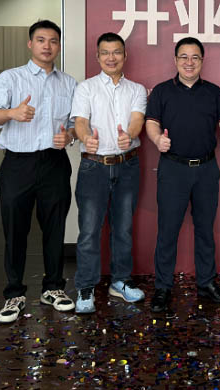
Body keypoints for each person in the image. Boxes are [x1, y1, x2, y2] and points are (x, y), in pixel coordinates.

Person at [0, 19, 77, 324]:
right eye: (41, 40)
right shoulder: (11, 78)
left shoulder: (69, 83)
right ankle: (14, 294)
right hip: (18, 163)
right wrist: (12, 112)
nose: (47, 46)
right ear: (30, 44)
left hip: (54, 163)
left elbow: (76, 124)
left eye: (53, 41)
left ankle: (53, 288)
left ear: (58, 46)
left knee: (55, 228)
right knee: (15, 229)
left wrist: (70, 136)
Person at [145, 37, 220, 313]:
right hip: (173, 169)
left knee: (205, 229)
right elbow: (151, 124)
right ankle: (163, 286)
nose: (189, 62)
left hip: (206, 169)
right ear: (175, 60)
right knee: (167, 230)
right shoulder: (161, 91)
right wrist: (157, 140)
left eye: (195, 57)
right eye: (183, 57)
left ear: (202, 61)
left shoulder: (213, 91)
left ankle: (206, 283)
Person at [70, 32, 146, 314]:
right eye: (105, 52)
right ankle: (86, 287)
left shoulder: (137, 89)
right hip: (94, 166)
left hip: (127, 166)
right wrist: (85, 137)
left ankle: (120, 281)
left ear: (125, 56)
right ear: (97, 56)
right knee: (89, 230)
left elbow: (137, 120)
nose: (111, 58)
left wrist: (130, 135)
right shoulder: (86, 88)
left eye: (116, 52)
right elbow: (80, 122)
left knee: (123, 228)